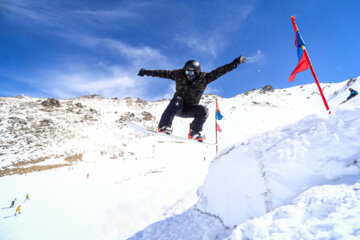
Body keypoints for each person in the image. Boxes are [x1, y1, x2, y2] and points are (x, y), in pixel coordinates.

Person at [138, 56, 247, 141]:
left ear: (197, 72)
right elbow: (161, 73)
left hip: (190, 109)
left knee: (204, 110)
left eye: (190, 72)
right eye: (186, 72)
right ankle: (164, 126)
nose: (187, 75)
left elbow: (221, 71)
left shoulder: (205, 78)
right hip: (177, 107)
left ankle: (194, 132)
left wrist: (236, 62)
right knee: (178, 99)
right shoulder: (178, 74)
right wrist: (146, 72)